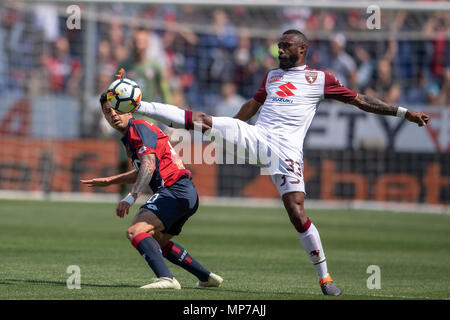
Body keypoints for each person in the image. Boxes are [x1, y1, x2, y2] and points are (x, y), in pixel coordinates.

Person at [114, 30, 430, 296]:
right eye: (278, 46)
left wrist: (403, 113)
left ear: (302, 49)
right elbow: (252, 105)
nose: (279, 50)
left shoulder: (320, 79)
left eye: (285, 47)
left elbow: (362, 100)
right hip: (257, 136)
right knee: (204, 120)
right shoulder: (272, 76)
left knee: (296, 211)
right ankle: (141, 104)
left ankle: (324, 276)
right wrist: (228, 129)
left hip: (287, 151)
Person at [80, 94, 223, 290]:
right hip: (184, 193)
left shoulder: (138, 127)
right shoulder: (132, 134)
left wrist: (131, 197)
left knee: (134, 232)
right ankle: (206, 277)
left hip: (174, 190)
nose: (113, 114)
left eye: (116, 109)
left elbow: (148, 164)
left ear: (129, 109)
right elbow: (145, 167)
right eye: (107, 112)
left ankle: (166, 279)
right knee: (157, 242)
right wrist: (110, 180)